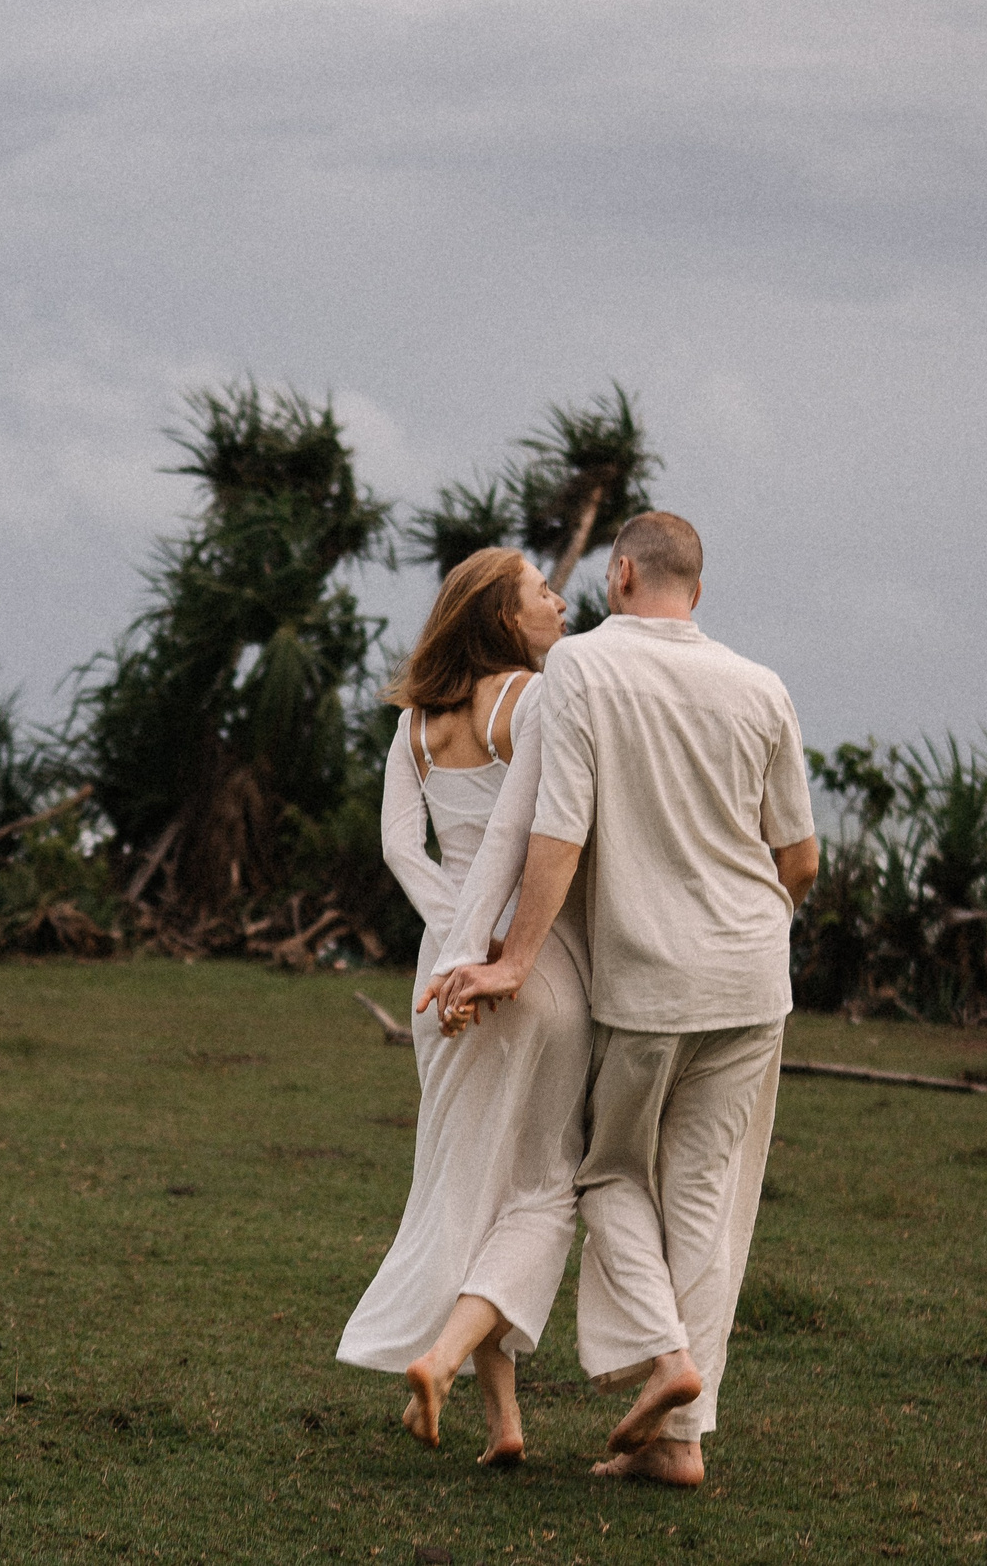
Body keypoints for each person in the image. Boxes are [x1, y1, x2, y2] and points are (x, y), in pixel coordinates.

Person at [429, 511, 819, 1487]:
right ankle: (682, 1443)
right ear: (698, 590)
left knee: (607, 1176)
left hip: (650, 984)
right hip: (753, 981)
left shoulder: (583, 668)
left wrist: (514, 960)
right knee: (703, 1200)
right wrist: (755, 929)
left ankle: (666, 1360)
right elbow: (801, 859)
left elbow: (558, 830)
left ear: (621, 575)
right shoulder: (761, 686)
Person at [335, 547, 590, 1468]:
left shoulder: (416, 723)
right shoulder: (536, 699)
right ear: (503, 619)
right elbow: (521, 836)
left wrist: (449, 950)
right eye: (542, 592)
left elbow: (401, 846)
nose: (560, 602)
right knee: (545, 1188)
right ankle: (441, 1357)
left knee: (469, 1182)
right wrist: (486, 954)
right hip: (530, 964)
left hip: (437, 978)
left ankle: (503, 1419)